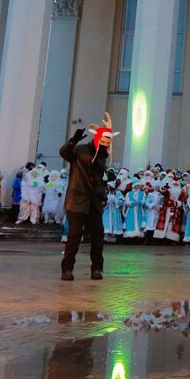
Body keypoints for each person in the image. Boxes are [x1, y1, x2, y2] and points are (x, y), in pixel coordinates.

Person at [58, 113, 113, 281]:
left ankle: (97, 268)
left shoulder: (103, 155)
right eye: (103, 140)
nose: (106, 143)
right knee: (74, 236)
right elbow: (64, 153)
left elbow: (98, 178)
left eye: (108, 141)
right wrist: (72, 141)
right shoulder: (81, 150)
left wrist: (103, 192)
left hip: (94, 202)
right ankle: (67, 269)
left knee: (98, 235)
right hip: (77, 200)